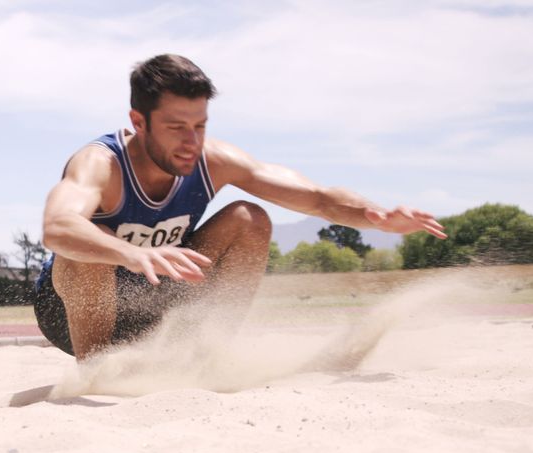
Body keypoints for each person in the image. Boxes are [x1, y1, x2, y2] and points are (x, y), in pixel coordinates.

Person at [34, 54, 447, 361]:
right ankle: (97, 372)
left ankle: (204, 355)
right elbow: (57, 226)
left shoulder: (213, 161)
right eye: (176, 127)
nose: (190, 142)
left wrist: (374, 217)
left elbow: (317, 197)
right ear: (138, 122)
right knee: (91, 239)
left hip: (153, 303)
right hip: (72, 313)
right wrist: (134, 253)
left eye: (199, 126)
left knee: (249, 219)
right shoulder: (100, 164)